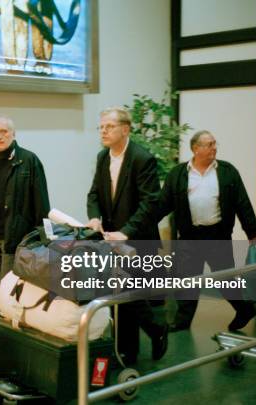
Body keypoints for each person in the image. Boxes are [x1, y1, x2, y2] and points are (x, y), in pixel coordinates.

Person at [86, 107, 168, 364]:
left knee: (129, 295)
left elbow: (150, 204)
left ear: (125, 129)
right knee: (119, 295)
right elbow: (94, 195)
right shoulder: (102, 158)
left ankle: (142, 341)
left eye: (108, 126)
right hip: (109, 238)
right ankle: (129, 349)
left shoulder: (142, 159)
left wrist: (126, 232)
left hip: (137, 239)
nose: (103, 131)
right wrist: (95, 216)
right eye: (100, 127)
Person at [158, 130, 256, 332]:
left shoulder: (227, 171)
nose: (214, 147)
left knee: (225, 279)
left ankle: (244, 309)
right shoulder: (178, 174)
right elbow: (162, 204)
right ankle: (183, 321)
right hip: (189, 237)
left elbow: (242, 203)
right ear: (196, 148)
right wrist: (138, 226)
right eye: (209, 144)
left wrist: (252, 233)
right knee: (186, 279)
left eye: (214, 143)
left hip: (217, 236)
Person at [0, 117, 50, 316]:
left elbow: (41, 203)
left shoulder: (29, 161)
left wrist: (41, 239)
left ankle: (8, 338)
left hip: (15, 236)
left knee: (7, 291)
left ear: (13, 134)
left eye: (4, 131)